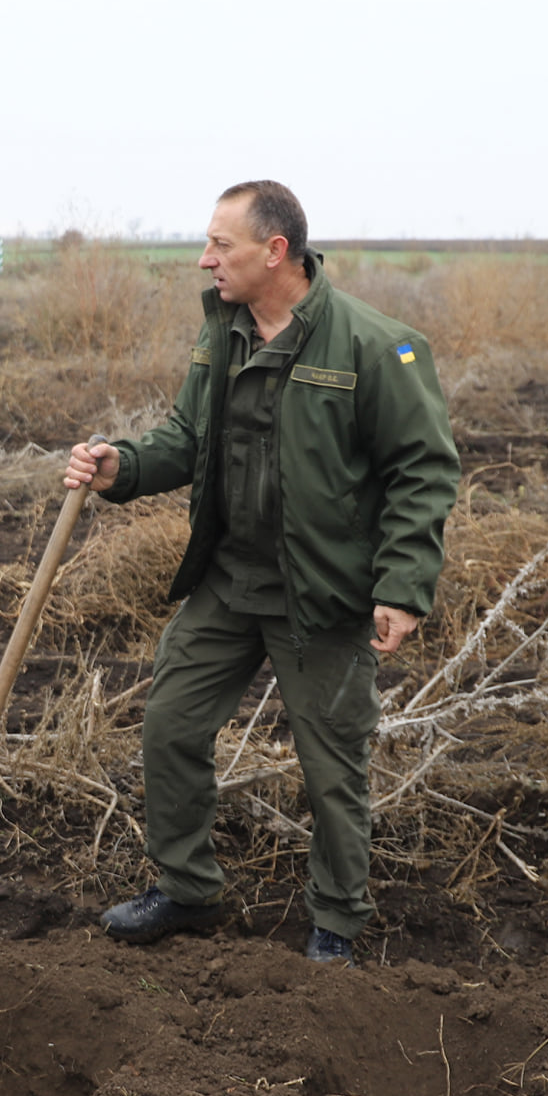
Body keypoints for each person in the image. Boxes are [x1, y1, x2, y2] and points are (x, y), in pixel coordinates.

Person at [65, 180, 459, 966]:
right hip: (229, 580)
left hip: (322, 593)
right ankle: (187, 891)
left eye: (221, 245)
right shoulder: (222, 336)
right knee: (171, 726)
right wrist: (125, 466)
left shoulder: (377, 346)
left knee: (330, 766)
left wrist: (402, 587)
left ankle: (337, 923)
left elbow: (424, 470)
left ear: (275, 253)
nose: (205, 259)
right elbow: (185, 437)